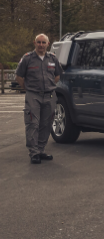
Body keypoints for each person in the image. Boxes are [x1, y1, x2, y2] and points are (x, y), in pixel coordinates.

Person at [15, 34, 63, 164]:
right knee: (33, 124)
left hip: (49, 95)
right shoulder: (27, 58)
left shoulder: (52, 58)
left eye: (43, 42)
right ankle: (34, 153)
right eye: (38, 42)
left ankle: (41, 150)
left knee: (46, 124)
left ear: (48, 44)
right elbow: (18, 76)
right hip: (33, 95)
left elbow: (58, 75)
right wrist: (27, 88)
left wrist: (49, 85)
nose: (41, 45)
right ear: (34, 43)